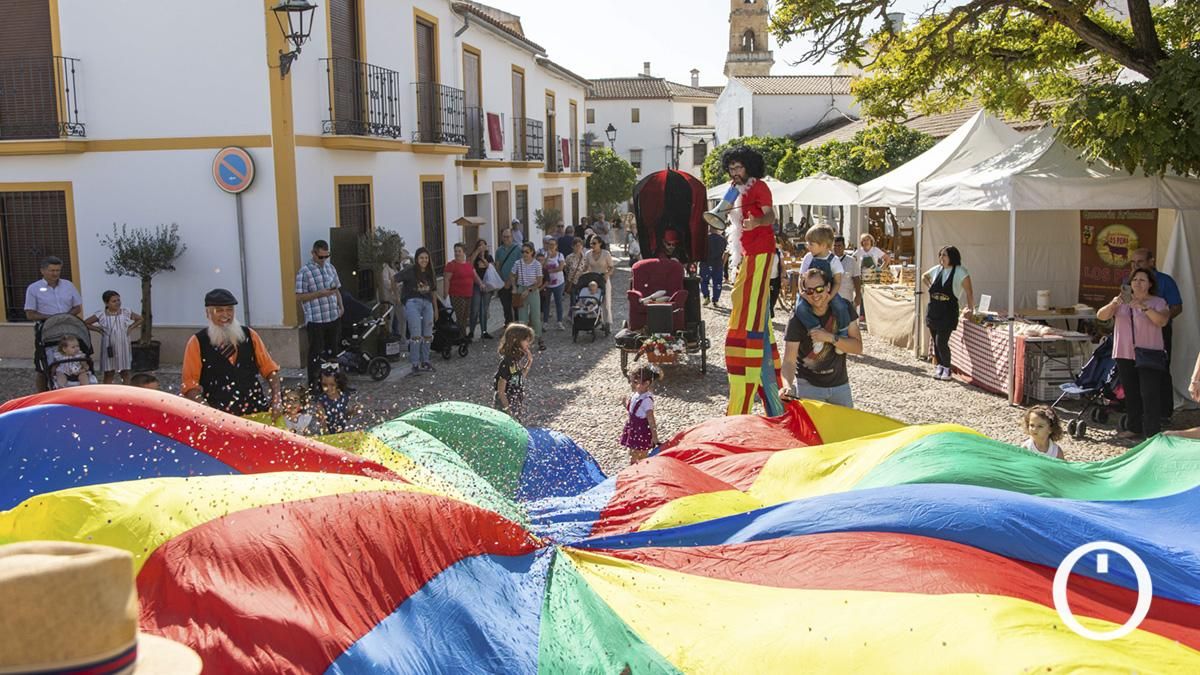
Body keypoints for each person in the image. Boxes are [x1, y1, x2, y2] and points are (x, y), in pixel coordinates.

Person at [721, 144, 784, 417]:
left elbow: (771, 215)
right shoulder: (735, 190)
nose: (735, 172)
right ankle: (775, 403)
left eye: (739, 167)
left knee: (746, 310)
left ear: (750, 167)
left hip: (761, 252)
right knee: (750, 311)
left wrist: (756, 222)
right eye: (732, 168)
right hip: (747, 254)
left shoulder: (760, 188)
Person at [181, 288, 282, 416]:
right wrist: (209, 413)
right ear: (208, 313)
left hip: (256, 410)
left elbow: (270, 369)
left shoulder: (250, 335)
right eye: (219, 310)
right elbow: (190, 386)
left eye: (229, 310)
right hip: (219, 415)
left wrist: (277, 398)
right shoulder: (197, 342)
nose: (225, 315)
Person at [1097, 267, 1170, 439]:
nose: (1137, 283)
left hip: (1149, 352)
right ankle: (1134, 426)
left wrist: (1143, 307)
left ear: (1150, 284)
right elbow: (1101, 316)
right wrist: (1114, 303)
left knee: (1149, 392)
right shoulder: (1121, 302)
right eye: (1135, 280)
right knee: (1131, 392)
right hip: (1124, 352)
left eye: (1142, 280)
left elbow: (1162, 321)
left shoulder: (1158, 302)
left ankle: (1152, 431)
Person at [781, 269, 863, 407]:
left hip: (840, 386)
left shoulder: (844, 308)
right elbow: (789, 360)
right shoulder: (797, 318)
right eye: (810, 291)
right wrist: (786, 385)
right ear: (804, 293)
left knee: (846, 428)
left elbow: (857, 347)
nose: (815, 295)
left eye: (819, 289)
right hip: (809, 387)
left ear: (829, 287)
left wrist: (831, 338)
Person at [1127, 248, 1182, 419]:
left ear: (1151, 261)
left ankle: (1164, 413)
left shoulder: (1166, 281)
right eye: (1133, 263)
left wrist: (1159, 319)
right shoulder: (1128, 281)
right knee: (1133, 373)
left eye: (1140, 262)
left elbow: (1177, 307)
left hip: (1159, 331)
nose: (1136, 266)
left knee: (1160, 370)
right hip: (1132, 334)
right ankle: (1137, 414)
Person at [25, 255, 83, 391]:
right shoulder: (33, 289)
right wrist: (51, 319)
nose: (55, 273)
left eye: (58, 270)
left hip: (68, 329)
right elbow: (30, 313)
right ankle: (41, 395)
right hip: (46, 332)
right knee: (42, 367)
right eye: (52, 270)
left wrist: (65, 317)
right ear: (43, 271)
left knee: (71, 359)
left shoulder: (68, 285)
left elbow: (77, 307)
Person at [294, 240, 344, 389]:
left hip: (332, 316)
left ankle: (336, 384)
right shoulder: (304, 272)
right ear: (313, 253)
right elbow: (299, 296)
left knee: (333, 353)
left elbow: (336, 289)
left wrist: (341, 305)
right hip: (316, 319)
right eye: (320, 257)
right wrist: (319, 294)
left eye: (326, 256)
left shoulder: (330, 268)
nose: (323, 260)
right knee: (316, 354)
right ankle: (315, 385)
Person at [922, 245, 976, 381]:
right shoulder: (937, 269)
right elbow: (924, 276)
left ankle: (947, 368)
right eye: (940, 255)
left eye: (944, 255)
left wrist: (971, 309)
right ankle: (940, 365)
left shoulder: (960, 271)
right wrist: (930, 286)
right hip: (934, 308)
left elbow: (969, 292)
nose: (942, 258)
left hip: (948, 310)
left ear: (952, 256)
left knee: (942, 341)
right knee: (935, 340)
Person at [84, 290, 142, 385]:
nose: (117, 303)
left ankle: (127, 392)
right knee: (109, 372)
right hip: (109, 347)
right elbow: (85, 323)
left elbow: (140, 319)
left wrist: (131, 327)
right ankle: (107, 394)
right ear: (106, 303)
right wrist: (98, 330)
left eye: (118, 300)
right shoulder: (101, 314)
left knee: (125, 372)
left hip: (123, 345)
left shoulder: (126, 312)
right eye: (114, 301)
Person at [397, 247, 439, 376]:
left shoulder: (430, 272)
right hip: (413, 303)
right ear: (417, 259)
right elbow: (395, 279)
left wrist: (436, 309)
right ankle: (415, 363)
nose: (424, 260)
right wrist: (398, 297)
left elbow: (433, 292)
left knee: (427, 334)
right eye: (421, 258)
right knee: (415, 335)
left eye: (426, 258)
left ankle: (425, 361)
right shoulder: (410, 270)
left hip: (427, 304)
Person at [621, 363, 662, 464]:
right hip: (634, 429)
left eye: (635, 382)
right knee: (633, 455)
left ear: (646, 383)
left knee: (641, 456)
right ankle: (633, 470)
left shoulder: (646, 400)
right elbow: (636, 411)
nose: (631, 384)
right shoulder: (637, 394)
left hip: (641, 432)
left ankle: (639, 473)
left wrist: (654, 436)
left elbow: (651, 419)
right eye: (631, 381)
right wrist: (626, 405)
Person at [494, 322, 534, 421]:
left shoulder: (515, 360)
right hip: (504, 405)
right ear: (515, 340)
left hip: (514, 402)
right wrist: (508, 412)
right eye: (526, 340)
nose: (528, 344)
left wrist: (529, 362)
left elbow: (519, 377)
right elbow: (501, 391)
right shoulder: (506, 363)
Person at [511, 242, 545, 351]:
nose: (524, 254)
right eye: (523, 251)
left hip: (533, 290)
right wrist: (514, 287)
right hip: (521, 288)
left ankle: (539, 338)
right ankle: (523, 341)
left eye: (527, 251)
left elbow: (539, 281)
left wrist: (529, 290)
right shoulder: (518, 263)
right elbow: (512, 275)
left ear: (532, 252)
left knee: (535, 316)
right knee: (522, 317)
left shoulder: (537, 264)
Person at [444, 243, 480, 342]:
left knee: (465, 317)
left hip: (468, 294)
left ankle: (461, 336)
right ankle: (462, 337)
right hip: (456, 295)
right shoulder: (451, 265)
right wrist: (446, 295)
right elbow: (446, 280)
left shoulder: (468, 264)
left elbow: (474, 276)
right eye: (455, 251)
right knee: (460, 316)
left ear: (464, 252)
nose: (457, 253)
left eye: (459, 251)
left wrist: (481, 284)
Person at [799, 226, 844, 297]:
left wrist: (830, 297)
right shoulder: (808, 257)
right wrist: (802, 292)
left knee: (840, 307)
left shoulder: (834, 260)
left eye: (811, 244)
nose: (808, 247)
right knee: (801, 307)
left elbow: (837, 282)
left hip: (828, 294)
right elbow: (801, 277)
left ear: (823, 245)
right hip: (809, 293)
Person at [314, 362, 356, 434]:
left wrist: (352, 411)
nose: (328, 388)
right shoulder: (321, 401)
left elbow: (345, 417)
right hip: (327, 436)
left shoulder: (344, 397)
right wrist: (328, 437)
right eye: (324, 385)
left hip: (341, 434)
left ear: (338, 383)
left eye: (332, 385)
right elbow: (323, 424)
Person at [584, 236, 615, 332]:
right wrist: (583, 271)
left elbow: (611, 267)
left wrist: (607, 274)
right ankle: (592, 321)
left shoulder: (606, 254)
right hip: (593, 280)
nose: (592, 245)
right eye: (591, 243)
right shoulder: (588, 254)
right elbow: (586, 266)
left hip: (603, 279)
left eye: (594, 243)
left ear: (600, 244)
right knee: (592, 301)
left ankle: (607, 323)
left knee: (605, 303)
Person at [469, 239, 496, 340]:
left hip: (487, 285)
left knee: (484, 309)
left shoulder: (489, 257)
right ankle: (471, 332)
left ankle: (484, 331)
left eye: (483, 245)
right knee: (474, 309)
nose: (481, 247)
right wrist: (476, 253)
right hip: (476, 285)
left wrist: (484, 259)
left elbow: (492, 268)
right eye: (479, 245)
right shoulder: (474, 257)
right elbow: (470, 265)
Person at [495, 227, 522, 326]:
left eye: (508, 236)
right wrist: (502, 281)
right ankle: (508, 324)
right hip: (503, 283)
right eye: (504, 237)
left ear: (512, 237)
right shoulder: (499, 251)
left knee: (517, 305)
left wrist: (510, 281)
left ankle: (519, 325)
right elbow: (497, 267)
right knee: (505, 306)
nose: (506, 238)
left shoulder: (518, 249)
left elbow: (520, 266)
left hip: (516, 283)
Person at [540, 236, 567, 331]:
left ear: (556, 246)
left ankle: (559, 322)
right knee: (546, 303)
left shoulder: (560, 255)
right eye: (549, 244)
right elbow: (541, 266)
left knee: (558, 302)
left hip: (558, 283)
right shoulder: (543, 254)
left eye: (553, 245)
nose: (551, 246)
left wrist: (548, 271)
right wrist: (547, 258)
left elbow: (561, 268)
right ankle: (545, 322)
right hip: (547, 284)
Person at [700, 222, 728, 308]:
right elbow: (726, 253)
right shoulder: (723, 239)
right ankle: (715, 300)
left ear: (709, 227)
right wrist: (723, 264)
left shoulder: (705, 238)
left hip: (706, 263)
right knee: (717, 282)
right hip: (718, 264)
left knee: (704, 281)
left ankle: (706, 296)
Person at [833, 236, 862, 310]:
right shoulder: (829, 260)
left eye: (839, 246)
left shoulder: (851, 261)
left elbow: (856, 278)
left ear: (844, 246)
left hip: (846, 297)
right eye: (835, 246)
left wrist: (858, 295)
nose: (837, 248)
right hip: (831, 298)